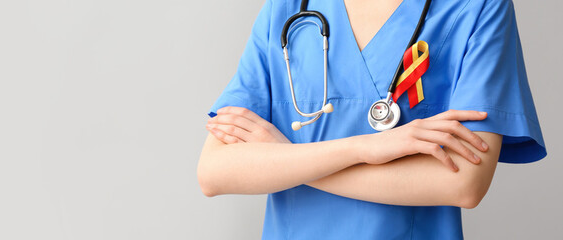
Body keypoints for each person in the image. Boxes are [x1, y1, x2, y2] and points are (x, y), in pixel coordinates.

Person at [197, 0, 546, 239]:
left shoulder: (476, 7)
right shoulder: (289, 8)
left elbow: (464, 184)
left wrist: (284, 159)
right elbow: (215, 171)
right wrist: (365, 148)